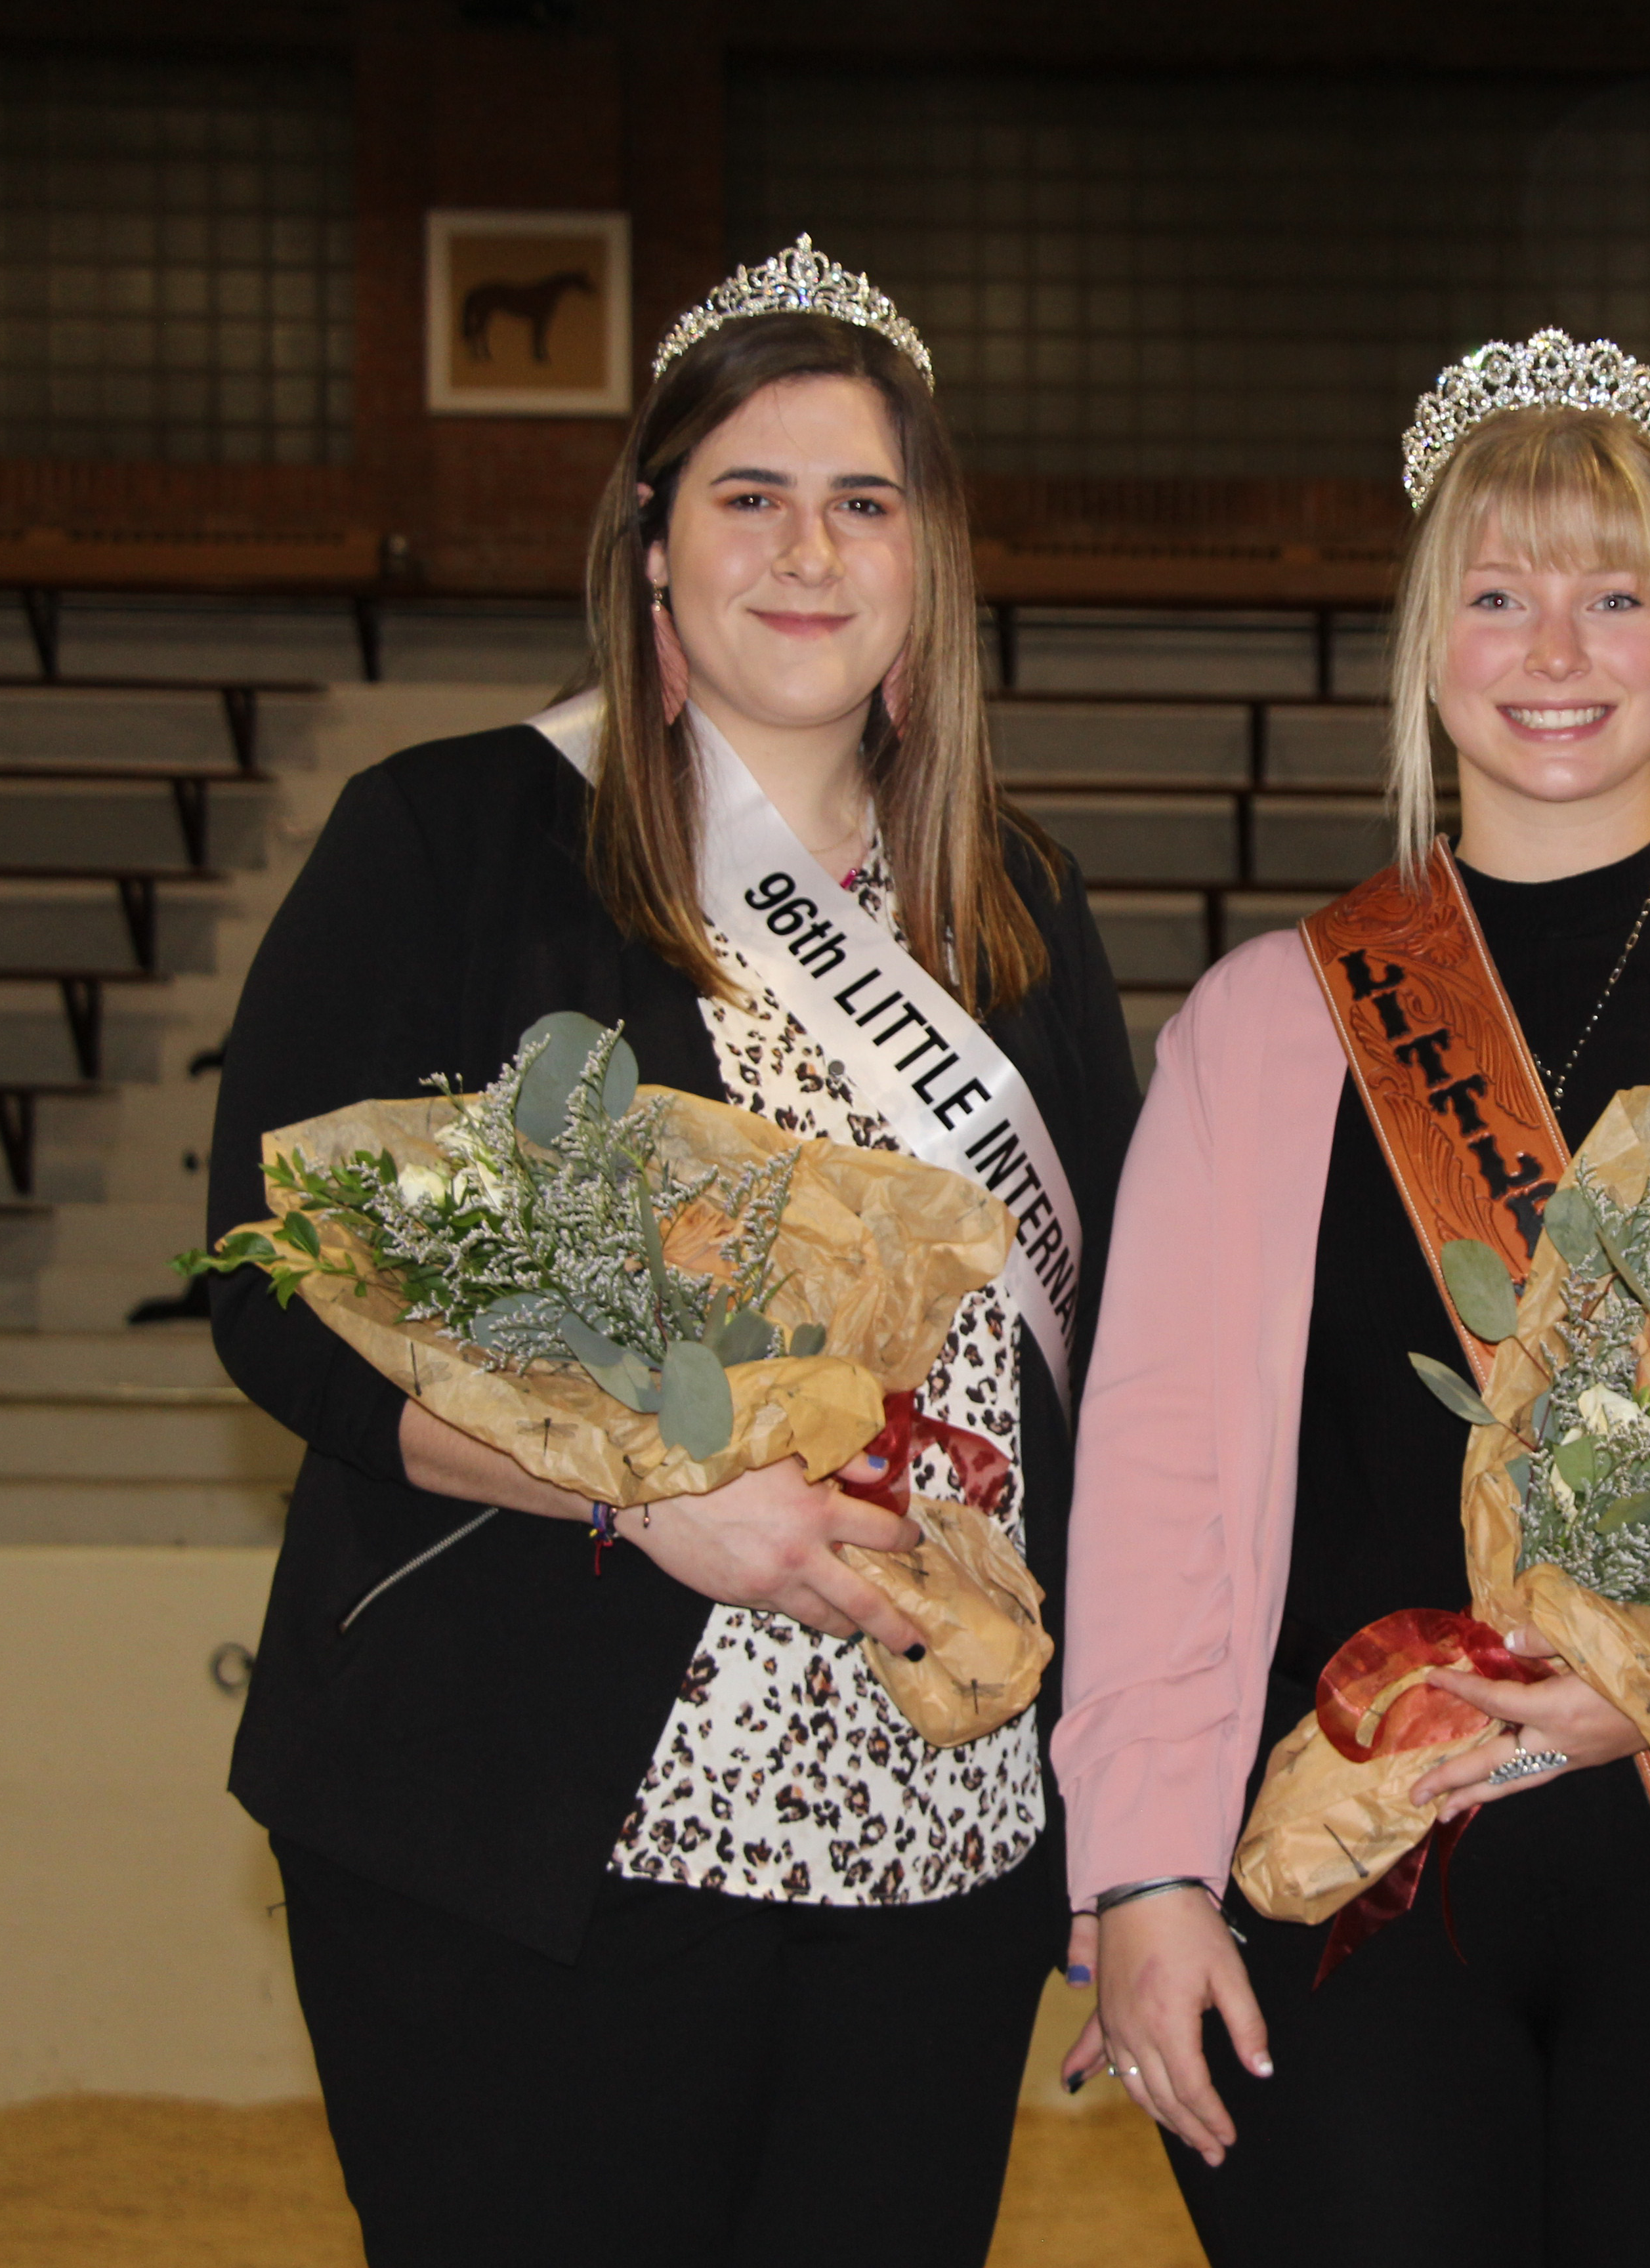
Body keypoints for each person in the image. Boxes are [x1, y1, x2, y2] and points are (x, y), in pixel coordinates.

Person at [207, 238, 1139, 2267]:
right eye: (750, 494)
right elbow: (273, 1292)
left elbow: (1111, 1365)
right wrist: (649, 1504)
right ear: (653, 546)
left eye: (863, 503)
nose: (808, 551)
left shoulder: (1024, 911)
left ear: (924, 568)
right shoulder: (451, 842)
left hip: (932, 1853)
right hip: (534, 1844)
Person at [1049, 334, 1650, 2268]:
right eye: (1498, 593)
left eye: (1612, 591)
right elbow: (1152, 1481)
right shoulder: (1265, 1024)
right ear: (1426, 643)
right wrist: (1139, 1877)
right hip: (1354, 1883)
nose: (1554, 646)